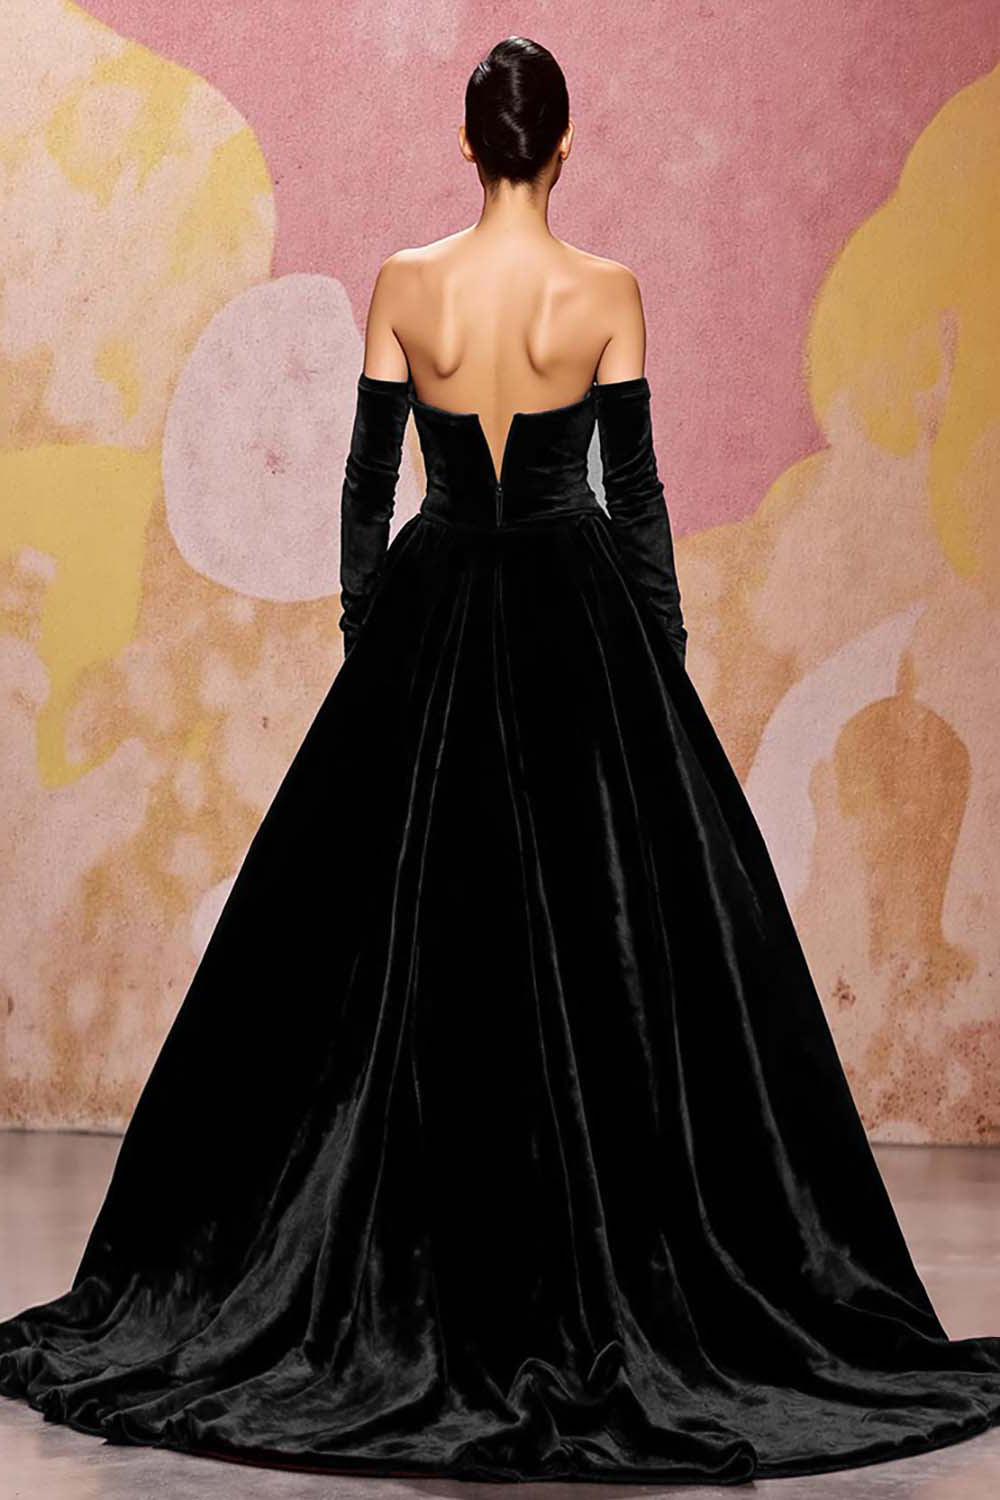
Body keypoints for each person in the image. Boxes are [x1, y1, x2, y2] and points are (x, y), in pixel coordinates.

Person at [1, 34, 999, 1487]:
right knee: (609, 955)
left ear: (468, 145)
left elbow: (365, 489)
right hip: (578, 621)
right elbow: (635, 498)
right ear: (565, 143)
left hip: (435, 606)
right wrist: (658, 674)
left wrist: (375, 647)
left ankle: (392, 1268)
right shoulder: (606, 294)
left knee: (389, 964)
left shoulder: (408, 286)